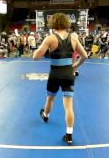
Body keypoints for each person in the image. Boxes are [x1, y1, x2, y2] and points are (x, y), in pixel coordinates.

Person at [33, 13, 88, 145]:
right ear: (65, 24)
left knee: (50, 98)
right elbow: (85, 56)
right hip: (68, 73)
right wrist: (75, 66)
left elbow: (35, 57)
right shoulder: (74, 39)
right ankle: (69, 135)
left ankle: (45, 116)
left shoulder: (50, 38)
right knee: (68, 105)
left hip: (55, 74)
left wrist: (40, 48)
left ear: (53, 24)